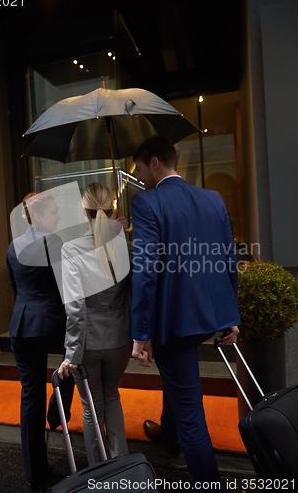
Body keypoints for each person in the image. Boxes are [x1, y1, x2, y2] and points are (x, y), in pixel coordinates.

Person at [130, 135, 240, 492]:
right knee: (178, 382)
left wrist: (140, 332)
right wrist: (230, 316)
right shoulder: (212, 198)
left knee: (194, 418)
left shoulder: (146, 202)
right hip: (207, 317)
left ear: (155, 163)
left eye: (140, 167)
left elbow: (145, 271)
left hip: (173, 323)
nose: (139, 175)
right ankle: (167, 432)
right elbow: (228, 259)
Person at [58, 182, 133, 466]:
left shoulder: (71, 249)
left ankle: (98, 470)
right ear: (112, 210)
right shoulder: (126, 247)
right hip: (120, 337)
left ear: (84, 211)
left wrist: (72, 355)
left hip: (88, 342)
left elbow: (75, 307)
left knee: (91, 408)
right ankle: (122, 468)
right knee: (112, 396)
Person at [6, 192, 74, 492]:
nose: (59, 217)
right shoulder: (55, 242)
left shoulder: (13, 246)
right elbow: (66, 285)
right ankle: (58, 410)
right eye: (54, 213)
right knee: (74, 362)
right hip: (54, 324)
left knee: (29, 397)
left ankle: (36, 474)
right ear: (39, 216)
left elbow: (14, 286)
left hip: (22, 326)